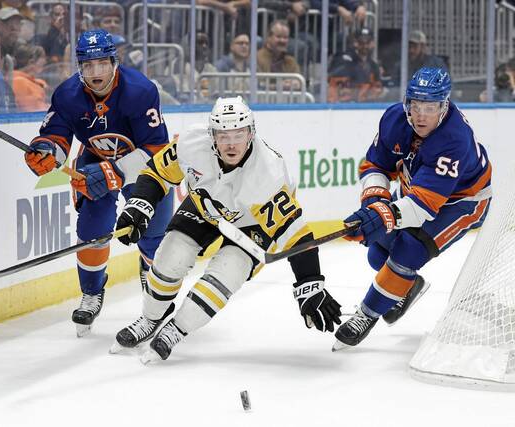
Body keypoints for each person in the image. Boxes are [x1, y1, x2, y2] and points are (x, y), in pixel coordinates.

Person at [111, 96, 343, 363]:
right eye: (223, 135)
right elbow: (157, 172)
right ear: (212, 136)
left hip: (251, 225)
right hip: (205, 205)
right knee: (169, 257)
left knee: (225, 275)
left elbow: (295, 235)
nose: (231, 143)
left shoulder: (267, 175)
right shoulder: (191, 143)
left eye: (239, 134)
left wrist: (310, 284)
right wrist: (140, 206)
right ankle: (150, 319)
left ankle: (176, 331)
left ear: (251, 134)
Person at [23, 29, 173, 337]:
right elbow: (57, 136)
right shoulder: (67, 95)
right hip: (93, 159)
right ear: (79, 66)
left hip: (143, 164)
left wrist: (116, 171)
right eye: (88, 66)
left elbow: (157, 149)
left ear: (114, 62)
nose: (95, 73)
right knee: (93, 228)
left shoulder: (140, 91)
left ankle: (151, 281)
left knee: (152, 232)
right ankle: (92, 292)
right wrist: (47, 151)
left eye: (102, 64)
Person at [333, 68, 492, 350]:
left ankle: (365, 315)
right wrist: (373, 205)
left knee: (409, 248)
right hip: (415, 186)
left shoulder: (455, 138)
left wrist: (380, 216)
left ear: (443, 107)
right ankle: (404, 287)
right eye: (416, 106)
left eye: (430, 108)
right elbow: (375, 166)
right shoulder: (394, 118)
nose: (421, 115)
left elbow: (423, 206)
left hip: (462, 200)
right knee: (379, 251)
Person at [328, 27, 385, 102]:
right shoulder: (343, 59)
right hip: (343, 105)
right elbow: (335, 84)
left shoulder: (373, 65)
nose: (365, 46)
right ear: (355, 43)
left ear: (372, 43)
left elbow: (377, 89)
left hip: (364, 106)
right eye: (361, 42)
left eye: (368, 42)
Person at [11, 43, 48, 112]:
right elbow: (33, 110)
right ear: (31, 62)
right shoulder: (19, 82)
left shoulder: (34, 81)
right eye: (43, 57)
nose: (45, 61)